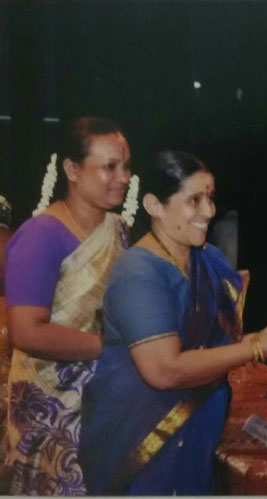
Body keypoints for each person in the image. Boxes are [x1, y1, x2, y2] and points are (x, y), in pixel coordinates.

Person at [78, 150, 267, 495]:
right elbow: (164, 370)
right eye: (194, 200)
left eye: (210, 198)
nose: (209, 211)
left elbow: (218, 343)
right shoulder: (138, 272)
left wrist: (261, 338)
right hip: (144, 437)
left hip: (199, 428)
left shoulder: (208, 259)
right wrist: (256, 347)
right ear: (154, 205)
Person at [4, 116, 132, 495]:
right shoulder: (40, 235)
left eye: (126, 167)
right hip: (48, 414)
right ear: (72, 170)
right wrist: (111, 349)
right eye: (110, 167)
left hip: (107, 399)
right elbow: (26, 332)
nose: (123, 177)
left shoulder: (118, 229)